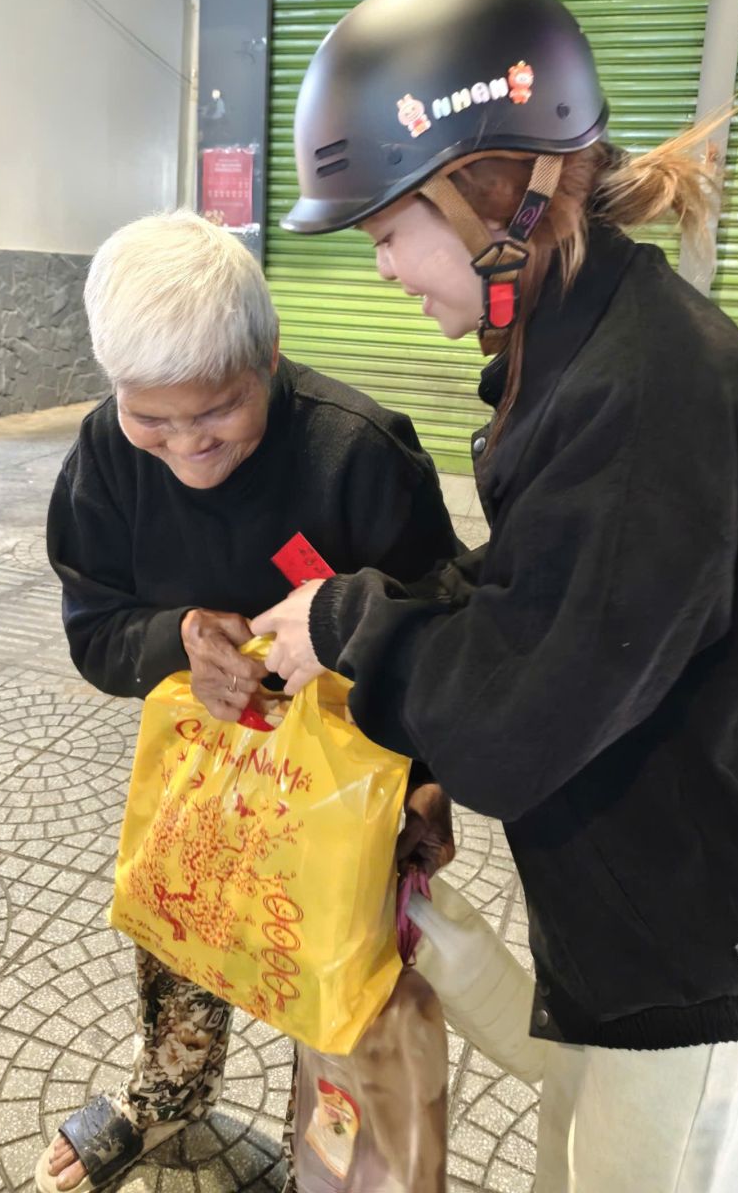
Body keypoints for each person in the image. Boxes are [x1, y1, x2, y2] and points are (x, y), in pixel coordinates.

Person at [254, 0, 738, 1193]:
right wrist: (414, 732)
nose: (382, 268)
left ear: (495, 194)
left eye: (388, 232)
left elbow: (517, 717)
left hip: (724, 940)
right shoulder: (574, 342)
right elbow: (540, 603)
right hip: (657, 906)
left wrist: (344, 623)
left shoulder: (645, 389)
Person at [37, 211, 459, 1193]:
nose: (187, 446)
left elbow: (446, 631)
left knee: (349, 981)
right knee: (179, 930)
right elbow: (94, 625)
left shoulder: (358, 453)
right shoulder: (106, 453)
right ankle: (168, 1097)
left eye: (218, 410)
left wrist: (433, 785)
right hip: (207, 770)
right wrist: (179, 638)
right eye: (152, 418)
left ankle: (338, 1158)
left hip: (349, 786)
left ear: (267, 357)